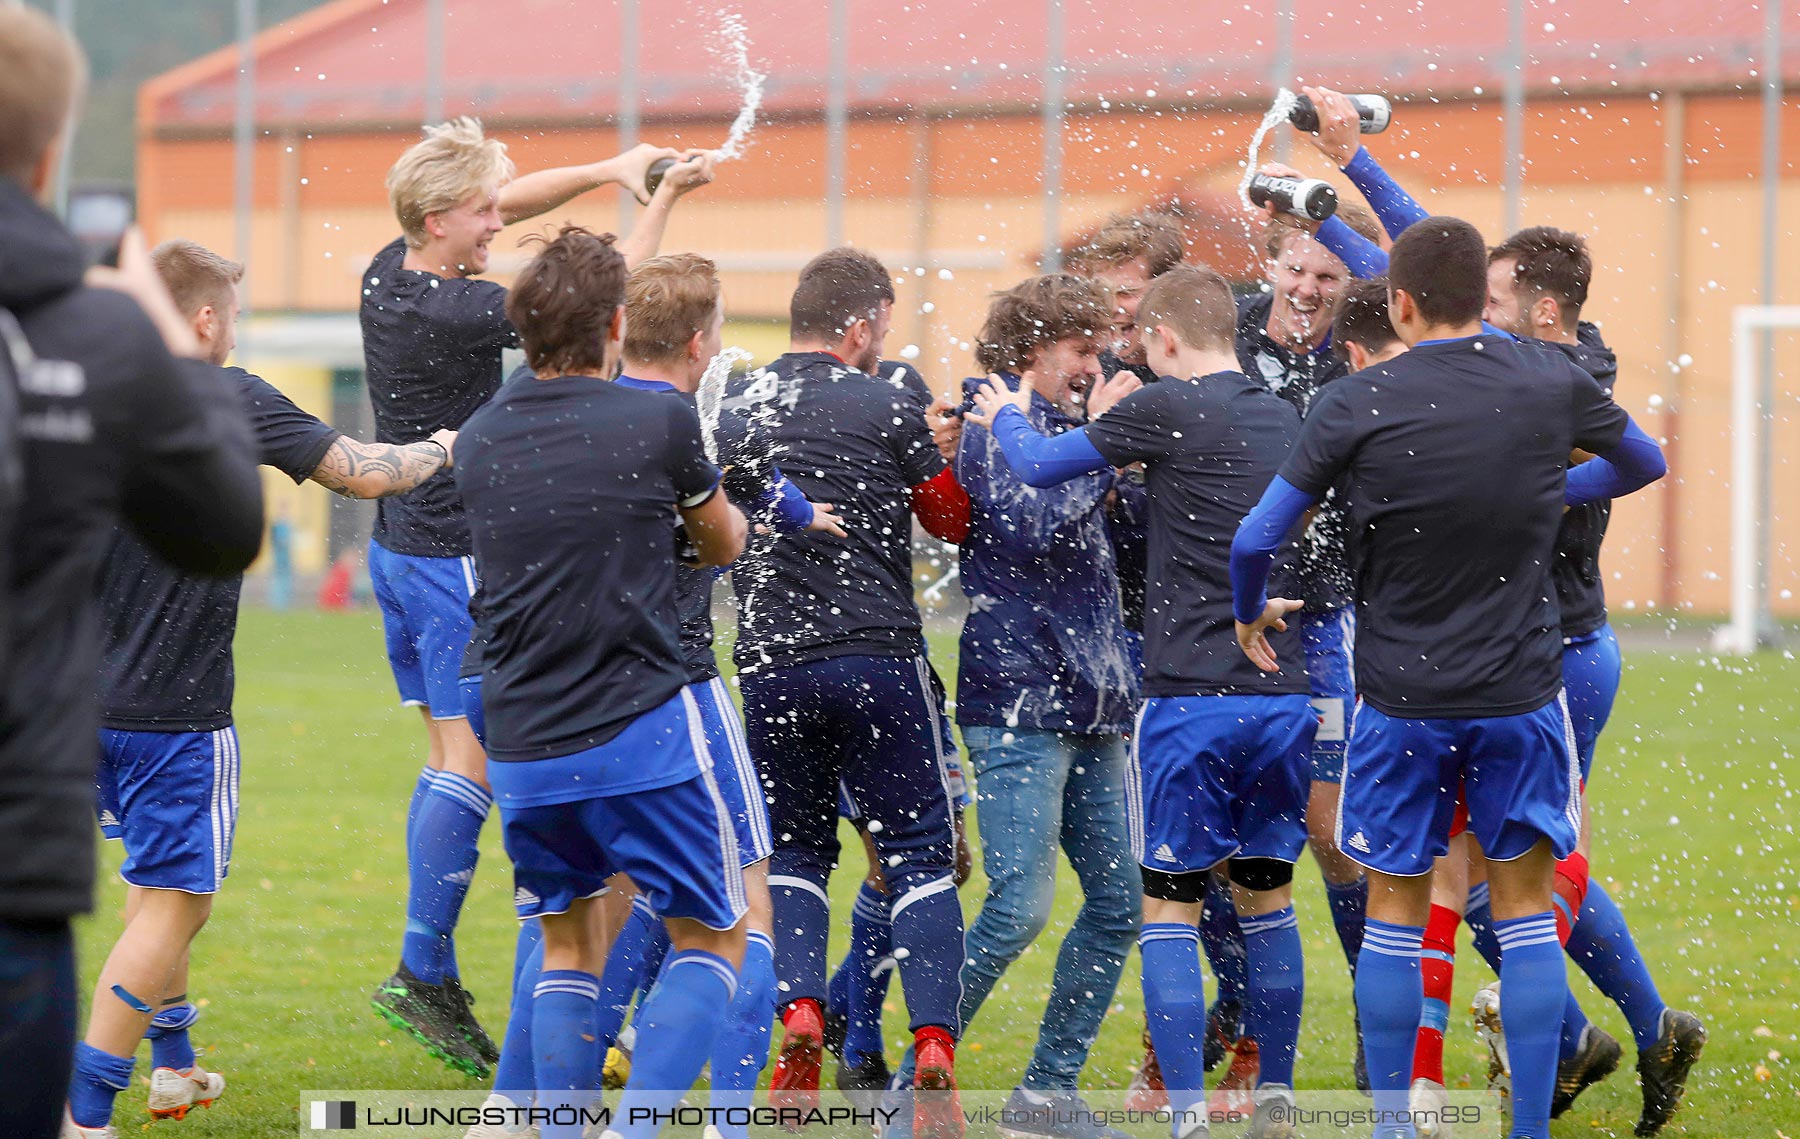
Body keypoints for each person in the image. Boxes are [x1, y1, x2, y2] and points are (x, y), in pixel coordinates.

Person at [1230, 217, 1667, 1139]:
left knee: (1395, 904)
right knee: (1522, 912)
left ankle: (1394, 1124)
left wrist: (1245, 606)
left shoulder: (1357, 398)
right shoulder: (1552, 376)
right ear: (1483, 301)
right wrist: (1558, 490)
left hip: (1400, 702)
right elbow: (1644, 462)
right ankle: (1531, 1131)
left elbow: (1256, 536)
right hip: (1521, 696)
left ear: (1399, 303)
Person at [65, 239, 459, 1138]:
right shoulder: (228, 394)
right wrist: (442, 446)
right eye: (232, 317)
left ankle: (173, 1065)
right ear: (205, 320)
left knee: (152, 889)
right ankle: (85, 1112)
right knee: (176, 904)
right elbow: (363, 470)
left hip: (80, 702)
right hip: (176, 713)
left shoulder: (95, 393)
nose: (232, 331)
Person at [362, 114, 714, 1072]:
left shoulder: (390, 266)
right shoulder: (467, 308)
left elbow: (499, 203)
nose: (495, 224)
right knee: (469, 765)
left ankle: (451, 969)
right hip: (450, 555)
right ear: (440, 218)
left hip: (398, 549)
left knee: (451, 751)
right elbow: (605, 297)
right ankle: (423, 966)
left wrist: (610, 168)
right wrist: (661, 196)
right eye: (479, 213)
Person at [967, 263, 1315, 1139]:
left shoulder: (1164, 407)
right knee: (1267, 899)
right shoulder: (1285, 415)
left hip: (1190, 698)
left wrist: (1001, 409)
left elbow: (1040, 464)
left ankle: (1188, 1119)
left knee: (1168, 906)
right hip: (1285, 695)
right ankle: (1274, 1099)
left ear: (1161, 340)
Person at [0, 10, 265, 1139]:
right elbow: (223, 523)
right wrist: (161, 328)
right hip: (25, 831)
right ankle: (99, 1103)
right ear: (52, 154)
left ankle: (162, 1059)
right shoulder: (101, 339)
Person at [457, 225, 749, 1139]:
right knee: (714, 934)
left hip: (521, 745)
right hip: (639, 725)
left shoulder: (479, 434)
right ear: (617, 324)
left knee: (566, 945)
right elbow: (721, 541)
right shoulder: (658, 419)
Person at [725, 248, 971, 1139]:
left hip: (770, 659)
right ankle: (935, 1038)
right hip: (877, 652)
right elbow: (950, 520)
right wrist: (950, 453)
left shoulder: (738, 402)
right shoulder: (888, 401)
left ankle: (801, 1016)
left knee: (792, 851)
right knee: (914, 848)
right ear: (860, 327)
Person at [919, 273, 1141, 1137]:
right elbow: (1027, 519)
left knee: (1120, 902)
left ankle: (1046, 1093)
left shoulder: (1074, 429)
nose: (1095, 363)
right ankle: (909, 1083)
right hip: (1017, 697)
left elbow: (1117, 534)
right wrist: (1107, 446)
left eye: (1098, 348)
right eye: (1081, 349)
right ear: (1028, 353)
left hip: (1096, 701)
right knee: (1018, 907)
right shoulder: (988, 417)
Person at [1231, 210, 1383, 1095]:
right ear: (1275, 262)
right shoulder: (1234, 333)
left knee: (1331, 834)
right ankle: (1238, 1035)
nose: (1307, 291)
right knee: (1224, 843)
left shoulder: (1364, 353)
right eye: (1296, 269)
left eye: (1327, 277)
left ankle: (1378, 1013)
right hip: (1233, 618)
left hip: (1324, 621)